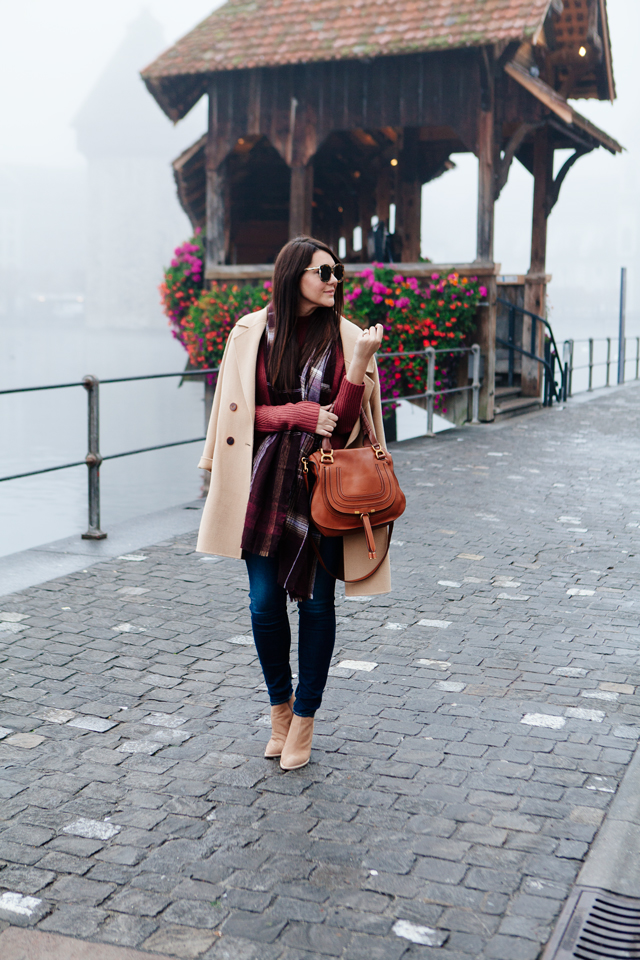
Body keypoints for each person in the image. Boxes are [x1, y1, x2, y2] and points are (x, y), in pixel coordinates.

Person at [196, 236, 390, 770]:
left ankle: (305, 717)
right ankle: (279, 709)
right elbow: (241, 414)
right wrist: (296, 415)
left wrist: (358, 366)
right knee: (262, 602)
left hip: (323, 489)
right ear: (293, 276)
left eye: (337, 273)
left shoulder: (351, 338)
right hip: (261, 486)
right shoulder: (250, 333)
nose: (334, 281)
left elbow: (346, 425)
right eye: (323, 272)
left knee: (317, 604)